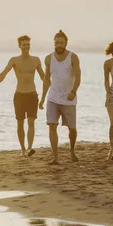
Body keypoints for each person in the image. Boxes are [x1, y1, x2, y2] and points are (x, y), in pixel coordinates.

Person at [0, 36, 44, 156]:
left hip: (32, 94)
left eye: (28, 44)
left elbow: (43, 76)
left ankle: (30, 148)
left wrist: (53, 88)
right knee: (20, 122)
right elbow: (4, 73)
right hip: (19, 95)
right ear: (19, 46)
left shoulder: (36, 60)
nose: (26, 46)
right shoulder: (14, 60)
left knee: (31, 121)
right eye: (24, 44)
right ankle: (23, 149)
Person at [39, 30, 81, 165]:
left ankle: (72, 151)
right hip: (53, 98)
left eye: (61, 43)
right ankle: (55, 157)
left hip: (69, 98)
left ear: (66, 44)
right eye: (57, 42)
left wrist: (73, 92)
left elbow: (78, 77)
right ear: (54, 43)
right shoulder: (48, 58)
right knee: (52, 126)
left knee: (72, 129)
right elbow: (46, 79)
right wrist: (42, 98)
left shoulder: (73, 57)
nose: (59, 45)